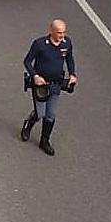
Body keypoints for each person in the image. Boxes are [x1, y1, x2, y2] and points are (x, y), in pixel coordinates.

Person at [21, 18, 77, 156]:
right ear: (51, 31)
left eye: (63, 32)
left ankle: (44, 140)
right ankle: (28, 124)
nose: (61, 36)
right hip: (41, 85)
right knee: (40, 113)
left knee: (50, 114)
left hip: (56, 84)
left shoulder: (67, 43)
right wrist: (35, 76)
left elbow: (70, 59)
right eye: (58, 33)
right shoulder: (40, 44)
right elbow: (27, 61)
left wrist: (72, 74)